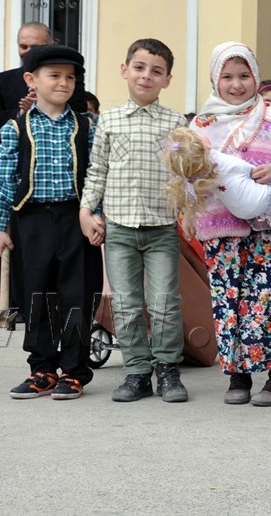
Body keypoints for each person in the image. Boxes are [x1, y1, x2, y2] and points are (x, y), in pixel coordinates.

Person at [189, 41, 271, 406]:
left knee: (270, 299)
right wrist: (188, 211)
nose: (236, 85)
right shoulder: (200, 125)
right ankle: (239, 376)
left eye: (244, 75)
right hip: (220, 230)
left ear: (255, 76)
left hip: (267, 226)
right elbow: (188, 176)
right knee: (228, 300)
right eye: (227, 76)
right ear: (214, 80)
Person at [78, 38, 189, 403]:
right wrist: (86, 211)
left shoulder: (175, 122)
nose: (146, 76)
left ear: (167, 80)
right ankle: (137, 371)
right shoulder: (107, 120)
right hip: (120, 227)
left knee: (163, 303)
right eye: (139, 68)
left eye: (156, 71)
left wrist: (188, 212)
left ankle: (168, 370)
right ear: (125, 71)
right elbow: (97, 171)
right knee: (125, 303)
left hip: (161, 228)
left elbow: (185, 174)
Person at [0, 45, 102, 399]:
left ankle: (74, 371)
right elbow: (5, 177)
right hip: (31, 219)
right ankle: (42, 369)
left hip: (75, 220)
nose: (64, 83)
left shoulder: (87, 126)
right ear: (31, 80)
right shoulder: (16, 127)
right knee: (36, 294)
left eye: (70, 77)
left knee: (76, 295)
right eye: (54, 75)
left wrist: (96, 214)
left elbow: (98, 175)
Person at [166, 128, 271, 240]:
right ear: (204, 145)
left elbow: (191, 195)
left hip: (238, 210)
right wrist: (253, 174)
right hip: (260, 197)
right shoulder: (220, 160)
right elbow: (244, 168)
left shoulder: (195, 175)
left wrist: (189, 214)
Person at [0, 22, 89, 141]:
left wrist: (45, 106)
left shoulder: (69, 77)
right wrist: (23, 112)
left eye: (35, 47)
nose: (28, 52)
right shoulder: (3, 80)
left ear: (51, 44)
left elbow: (79, 112)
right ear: (29, 80)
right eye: (23, 47)